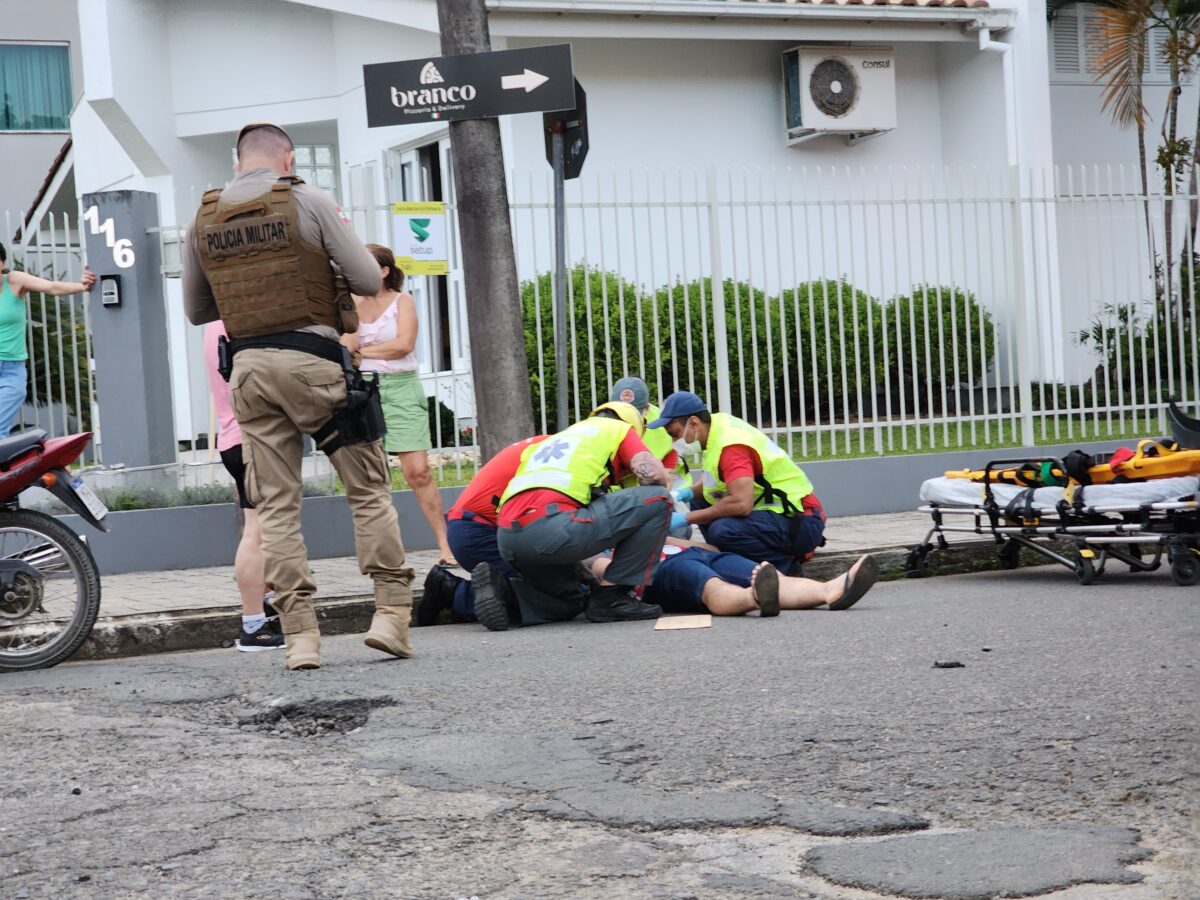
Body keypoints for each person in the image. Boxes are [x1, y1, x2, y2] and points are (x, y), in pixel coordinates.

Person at [183, 121, 416, 671]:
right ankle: (390, 616)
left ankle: (300, 638)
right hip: (315, 366)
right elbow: (365, 279)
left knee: (275, 506)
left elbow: (198, 311)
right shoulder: (307, 199)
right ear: (287, 158)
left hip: (249, 374)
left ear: (239, 161)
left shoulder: (204, 214)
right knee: (367, 489)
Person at [480, 402, 673, 630]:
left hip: (508, 538)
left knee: (571, 602)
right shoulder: (619, 429)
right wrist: (663, 488)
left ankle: (506, 594)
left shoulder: (560, 439)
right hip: (553, 526)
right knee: (659, 499)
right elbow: (652, 474)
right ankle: (613, 596)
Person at [341, 245, 456, 565]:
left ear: (384, 271)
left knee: (417, 471)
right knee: (371, 477)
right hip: (363, 391)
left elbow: (404, 344)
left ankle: (446, 545)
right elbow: (345, 346)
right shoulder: (349, 304)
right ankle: (385, 552)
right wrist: (369, 350)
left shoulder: (402, 301)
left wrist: (363, 352)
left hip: (402, 387)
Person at [651, 391, 825, 575]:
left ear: (694, 423)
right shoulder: (717, 427)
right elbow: (715, 481)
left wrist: (685, 519)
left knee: (724, 530)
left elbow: (741, 504)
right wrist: (687, 493)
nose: (673, 441)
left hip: (800, 520)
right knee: (702, 502)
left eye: (675, 434)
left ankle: (785, 570)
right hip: (778, 514)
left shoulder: (731, 447)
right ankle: (735, 560)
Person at [203, 321, 284, 651]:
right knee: (257, 532)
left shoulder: (213, 325)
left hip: (234, 438)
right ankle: (254, 626)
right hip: (250, 439)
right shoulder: (236, 323)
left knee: (258, 529)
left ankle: (263, 611)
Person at [419, 434, 550, 626]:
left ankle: (481, 590)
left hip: (469, 528)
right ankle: (452, 591)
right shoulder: (570, 456)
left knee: (558, 586)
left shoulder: (551, 445)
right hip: (481, 532)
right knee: (557, 596)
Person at [592, 546, 879, 616]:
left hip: (699, 554)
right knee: (711, 586)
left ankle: (831, 591)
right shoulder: (599, 549)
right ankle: (752, 598)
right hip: (664, 572)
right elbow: (605, 570)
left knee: (772, 575)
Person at [0, 242, 95, 438]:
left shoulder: (14, 281)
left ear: (3, 263)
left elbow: (51, 287)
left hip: (13, 368)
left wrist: (82, 286)